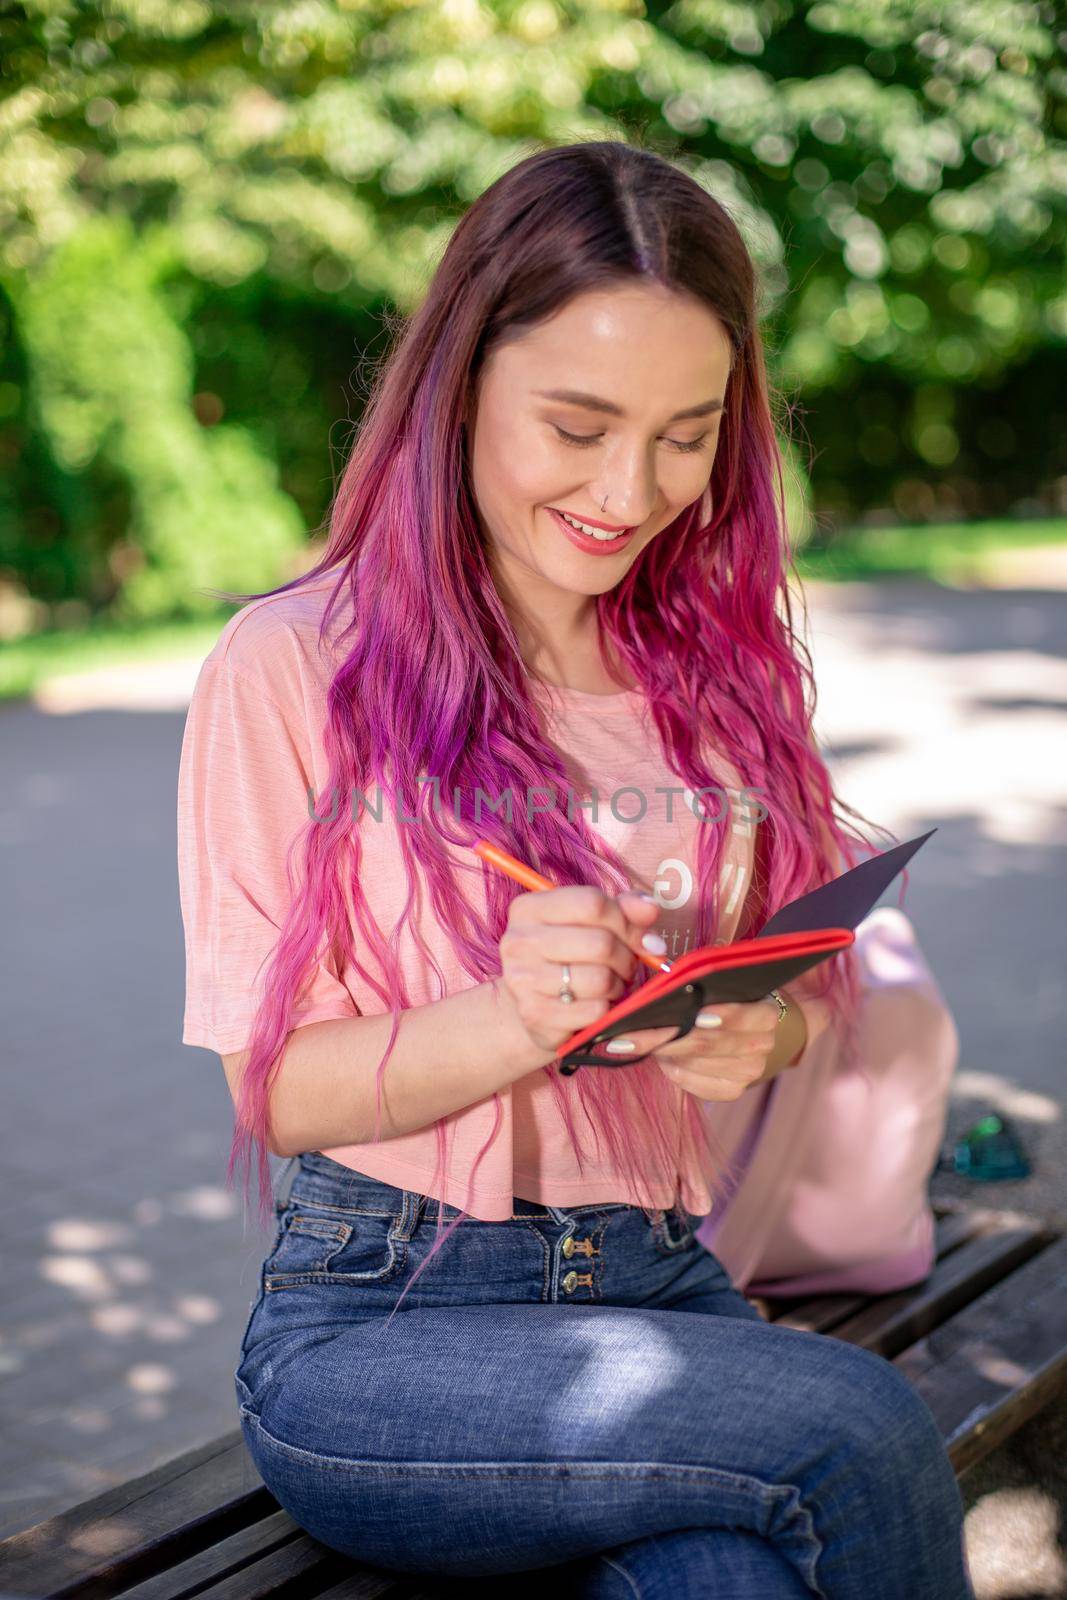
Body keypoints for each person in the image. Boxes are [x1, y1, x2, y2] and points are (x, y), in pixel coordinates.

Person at [177, 140, 974, 1597]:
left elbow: (797, 984)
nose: (634, 487)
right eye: (579, 423)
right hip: (383, 1327)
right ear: (460, 382)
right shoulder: (292, 665)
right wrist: (510, 1017)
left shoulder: (716, 677)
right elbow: (271, 1088)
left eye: (688, 433)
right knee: (857, 1426)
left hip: (660, 1278)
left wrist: (762, 1027)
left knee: (734, 1581)